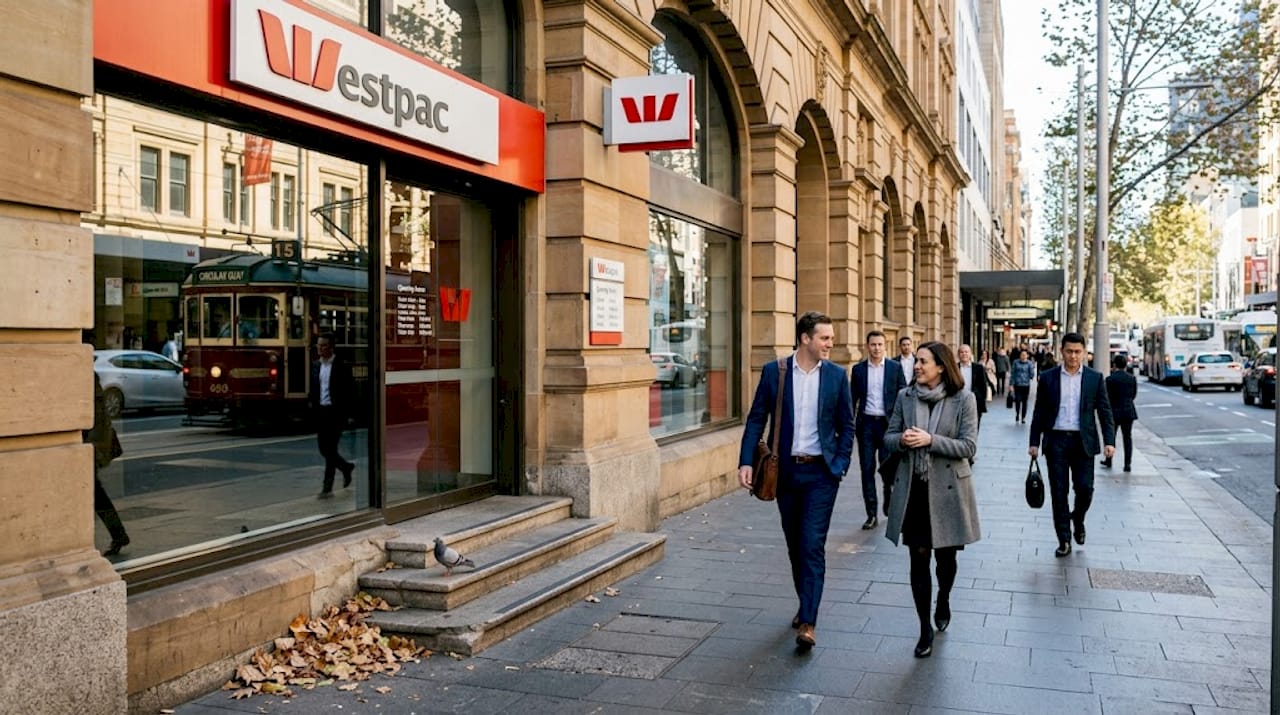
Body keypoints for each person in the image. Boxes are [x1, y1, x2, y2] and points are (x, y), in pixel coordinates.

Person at [738, 311, 855, 650]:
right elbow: (757, 418)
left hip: (822, 474)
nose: (830, 344)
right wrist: (746, 461)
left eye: (831, 339)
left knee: (812, 544)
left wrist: (841, 463)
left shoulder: (836, 375)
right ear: (806, 338)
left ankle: (808, 621)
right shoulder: (776, 372)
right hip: (785, 473)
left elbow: (847, 424)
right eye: (825, 338)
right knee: (794, 543)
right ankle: (806, 600)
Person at [883, 341, 980, 659]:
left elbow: (968, 446)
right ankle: (924, 628)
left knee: (947, 561)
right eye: (917, 362)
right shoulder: (904, 396)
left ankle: (944, 599)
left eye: (923, 361)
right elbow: (888, 437)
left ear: (941, 366)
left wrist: (930, 440)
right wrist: (902, 441)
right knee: (918, 558)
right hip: (915, 490)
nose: (917, 366)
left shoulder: (964, 399)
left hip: (949, 490)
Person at [1028, 333, 1116, 558]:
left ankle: (1078, 518)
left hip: (1083, 442)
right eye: (1069, 351)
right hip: (1056, 440)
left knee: (1085, 489)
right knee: (1059, 492)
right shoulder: (1048, 378)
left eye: (1078, 352)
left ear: (1085, 353)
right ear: (1062, 352)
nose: (1073, 356)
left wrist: (1110, 441)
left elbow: (1105, 411)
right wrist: (1034, 442)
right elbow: (1039, 411)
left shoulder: (1095, 378)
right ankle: (1064, 540)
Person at [850, 330, 907, 529]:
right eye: (873, 345)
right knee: (867, 470)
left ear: (885, 346)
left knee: (887, 469)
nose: (876, 348)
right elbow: (852, 400)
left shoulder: (894, 368)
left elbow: (904, 396)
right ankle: (871, 514)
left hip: (887, 426)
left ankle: (888, 499)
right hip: (866, 425)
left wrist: (902, 425)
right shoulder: (858, 370)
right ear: (867, 346)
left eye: (880, 345)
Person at [87, 373, 130, 557]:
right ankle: (118, 534)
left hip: (88, 444)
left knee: (95, 494)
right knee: (95, 494)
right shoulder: (90, 376)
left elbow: (97, 416)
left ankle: (118, 534)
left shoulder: (87, 377)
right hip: (88, 442)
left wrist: (95, 448)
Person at [310, 333, 356, 498]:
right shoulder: (316, 365)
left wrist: (349, 414)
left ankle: (327, 487)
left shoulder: (341, 366)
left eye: (323, 346)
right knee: (324, 449)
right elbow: (314, 390)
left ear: (331, 347)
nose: (320, 349)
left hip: (336, 413)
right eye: (318, 345)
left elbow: (349, 391)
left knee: (330, 449)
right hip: (321, 412)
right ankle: (345, 467)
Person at [1104, 353, 1138, 472]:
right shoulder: (1131, 378)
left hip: (1114, 411)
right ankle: (1127, 464)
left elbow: (1107, 396)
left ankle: (1109, 460)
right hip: (1128, 411)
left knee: (1111, 437)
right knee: (1127, 437)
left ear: (1114, 365)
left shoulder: (1110, 379)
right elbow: (1133, 394)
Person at [955, 344, 989, 433]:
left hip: (975, 402)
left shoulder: (978, 368)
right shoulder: (954, 368)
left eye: (966, 352)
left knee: (974, 429)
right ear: (958, 354)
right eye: (961, 352)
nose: (964, 354)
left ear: (970, 354)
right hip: (958, 402)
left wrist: (981, 400)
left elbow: (983, 387)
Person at [1009, 348, 1036, 424]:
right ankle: (1017, 413)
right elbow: (1013, 373)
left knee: (1025, 402)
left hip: (1026, 385)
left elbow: (1032, 374)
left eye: (1025, 355)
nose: (1023, 356)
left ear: (1027, 356)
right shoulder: (1016, 362)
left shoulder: (1029, 363)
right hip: (1017, 384)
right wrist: (1011, 384)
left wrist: (1031, 374)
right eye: (1022, 355)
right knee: (1017, 400)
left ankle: (1023, 417)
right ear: (1020, 356)